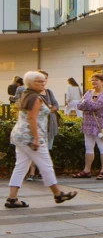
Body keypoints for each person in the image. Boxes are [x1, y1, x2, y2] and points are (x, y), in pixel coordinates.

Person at [5, 71, 78, 209]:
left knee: (21, 166)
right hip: (31, 137)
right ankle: (58, 194)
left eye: (43, 80)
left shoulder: (26, 94)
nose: (42, 83)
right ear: (30, 83)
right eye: (38, 81)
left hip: (20, 135)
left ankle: (12, 198)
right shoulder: (35, 98)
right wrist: (36, 138)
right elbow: (32, 118)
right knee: (46, 165)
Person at [74, 74, 103, 181]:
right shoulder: (88, 92)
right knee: (88, 147)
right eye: (92, 80)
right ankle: (86, 170)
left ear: (102, 82)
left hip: (100, 126)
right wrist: (87, 104)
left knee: (102, 147)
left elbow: (96, 106)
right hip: (88, 124)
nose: (93, 82)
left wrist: (86, 103)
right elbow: (79, 105)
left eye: (96, 80)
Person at [26, 72, 61, 182]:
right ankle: (32, 173)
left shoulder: (49, 92)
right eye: (40, 80)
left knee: (46, 150)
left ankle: (44, 173)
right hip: (38, 126)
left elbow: (56, 105)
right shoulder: (31, 95)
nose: (43, 82)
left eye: (44, 79)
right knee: (35, 150)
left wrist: (50, 109)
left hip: (49, 124)